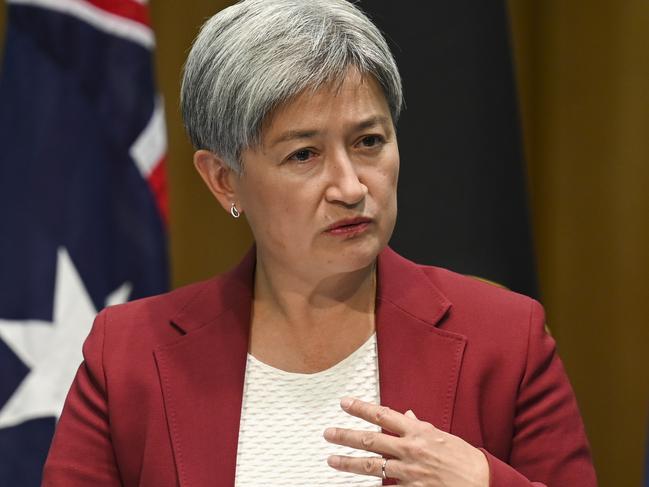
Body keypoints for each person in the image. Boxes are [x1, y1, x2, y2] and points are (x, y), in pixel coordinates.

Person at [43, 0, 597, 485]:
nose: (352, 187)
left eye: (369, 141)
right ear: (223, 179)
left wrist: (482, 482)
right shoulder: (128, 357)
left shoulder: (505, 340)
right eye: (303, 154)